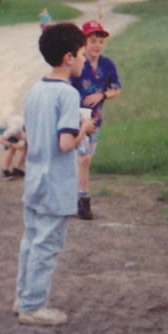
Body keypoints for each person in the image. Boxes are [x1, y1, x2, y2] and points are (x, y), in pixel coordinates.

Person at [15, 23, 96, 325]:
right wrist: (83, 129)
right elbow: (65, 143)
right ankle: (33, 306)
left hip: (35, 179)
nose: (85, 60)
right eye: (82, 54)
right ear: (68, 58)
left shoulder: (35, 89)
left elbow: (27, 134)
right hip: (56, 183)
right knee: (47, 246)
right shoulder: (68, 95)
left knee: (31, 240)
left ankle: (23, 296)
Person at [70, 20, 121, 220]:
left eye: (100, 42)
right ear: (84, 43)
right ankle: (83, 200)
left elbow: (116, 90)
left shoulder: (107, 65)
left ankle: (76, 196)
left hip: (96, 120)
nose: (97, 46)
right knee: (84, 158)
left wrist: (102, 95)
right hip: (76, 118)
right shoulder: (76, 63)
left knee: (83, 158)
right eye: (93, 41)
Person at [0, 113, 27, 179]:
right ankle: (5, 171)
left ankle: (17, 168)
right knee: (12, 149)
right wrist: (13, 145)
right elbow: (1, 140)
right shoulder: (15, 129)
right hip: (3, 127)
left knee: (27, 148)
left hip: (15, 125)